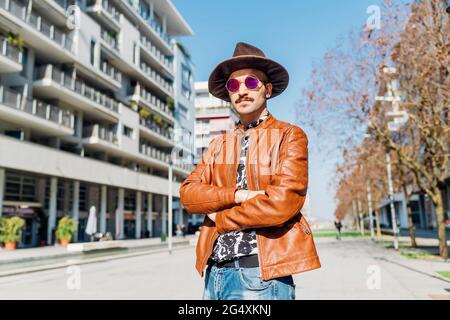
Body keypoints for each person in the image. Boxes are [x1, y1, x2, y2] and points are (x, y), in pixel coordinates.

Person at [179, 42, 321, 300]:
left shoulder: (290, 136)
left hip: (259, 276)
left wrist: (219, 218)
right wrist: (239, 196)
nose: (241, 91)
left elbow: (282, 203)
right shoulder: (219, 145)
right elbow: (189, 193)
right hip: (214, 275)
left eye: (251, 83)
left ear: (267, 90)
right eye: (233, 85)